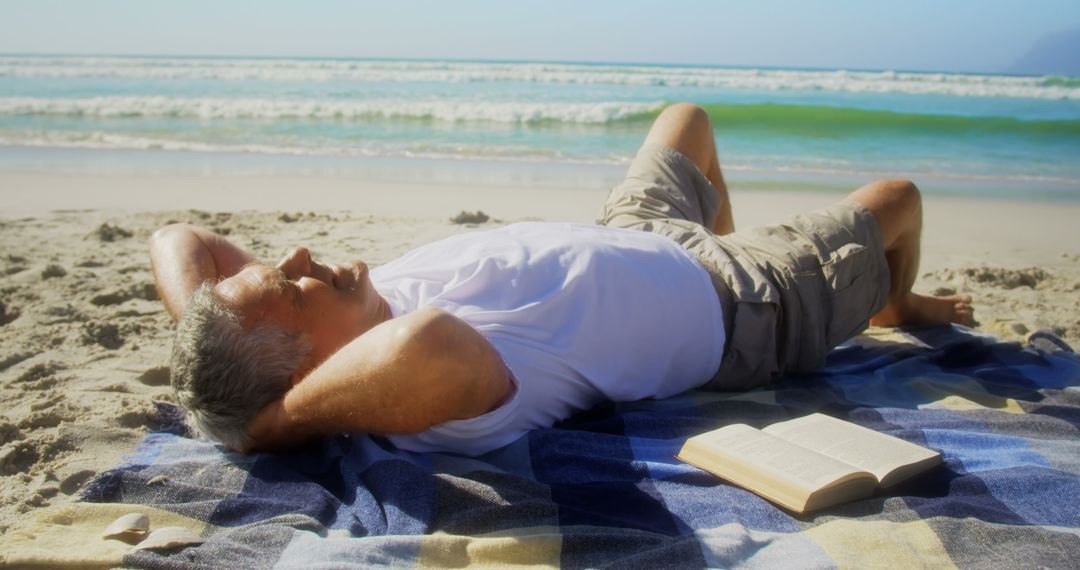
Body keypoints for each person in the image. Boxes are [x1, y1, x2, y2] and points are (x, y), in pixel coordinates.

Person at [150, 103, 974, 456]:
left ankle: (799, 266)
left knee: (687, 118)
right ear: (307, 376)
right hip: (741, 300)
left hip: (636, 236)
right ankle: (886, 303)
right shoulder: (421, 393)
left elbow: (176, 237)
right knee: (896, 201)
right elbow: (430, 342)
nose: (293, 260)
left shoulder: (345, 320)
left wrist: (212, 331)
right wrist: (268, 424)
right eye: (289, 291)